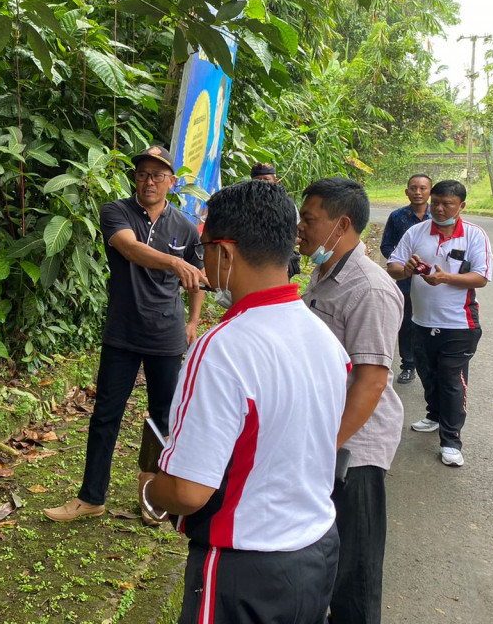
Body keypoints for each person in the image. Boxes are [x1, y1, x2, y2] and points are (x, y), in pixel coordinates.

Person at [139, 179, 349, 624]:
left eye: (206, 246)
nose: (202, 258)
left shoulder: (220, 349)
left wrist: (150, 489)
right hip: (317, 551)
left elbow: (187, 490)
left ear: (227, 253)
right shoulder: (325, 339)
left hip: (246, 569)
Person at [45, 145, 206, 523]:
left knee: (162, 418)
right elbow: (130, 249)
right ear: (135, 179)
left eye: (157, 175)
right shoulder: (116, 212)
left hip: (167, 334)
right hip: (122, 331)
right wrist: (173, 261)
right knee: (105, 415)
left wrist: (194, 321)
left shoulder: (184, 226)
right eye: (142, 174)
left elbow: (197, 279)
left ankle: (153, 495)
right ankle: (91, 497)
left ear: (171, 181)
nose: (148, 181)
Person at [298, 178, 404, 624]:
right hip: (327, 441)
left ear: (341, 225)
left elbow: (371, 382)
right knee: (324, 558)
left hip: (353, 452)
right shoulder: (324, 272)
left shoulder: (369, 289)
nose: (299, 228)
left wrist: (325, 449)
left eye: (308, 219)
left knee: (355, 576)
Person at [387, 179, 492, 467]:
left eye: (447, 204)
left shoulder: (473, 236)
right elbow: (393, 267)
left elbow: (481, 278)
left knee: (451, 381)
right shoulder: (415, 232)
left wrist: (445, 277)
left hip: (459, 324)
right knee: (428, 374)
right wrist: (405, 269)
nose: (440, 208)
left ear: (462, 206)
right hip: (420, 321)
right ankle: (434, 416)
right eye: (436, 203)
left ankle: (451, 441)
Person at [380, 174, 432, 385]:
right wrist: (401, 261)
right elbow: (386, 245)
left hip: (432, 283)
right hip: (405, 282)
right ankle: (408, 365)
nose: (418, 192)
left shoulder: (437, 218)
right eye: (413, 188)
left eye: (422, 188)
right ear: (406, 191)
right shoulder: (397, 217)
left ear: (430, 191)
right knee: (406, 324)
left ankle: (430, 367)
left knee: (432, 324)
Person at [251, 162, 302, 278]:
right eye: (258, 179)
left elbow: (298, 234)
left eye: (266, 179)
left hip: (279, 262)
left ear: (275, 181)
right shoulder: (245, 204)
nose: (262, 183)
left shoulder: (287, 205)